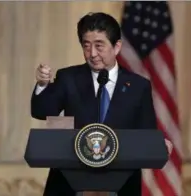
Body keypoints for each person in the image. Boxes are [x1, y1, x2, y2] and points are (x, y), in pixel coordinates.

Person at [31, 12, 172, 196]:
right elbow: (42, 111)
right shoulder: (68, 78)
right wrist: (42, 85)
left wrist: (157, 144)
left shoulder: (138, 86)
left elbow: (147, 132)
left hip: (121, 186)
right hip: (70, 184)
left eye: (99, 46)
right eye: (86, 46)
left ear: (117, 47)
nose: (92, 54)